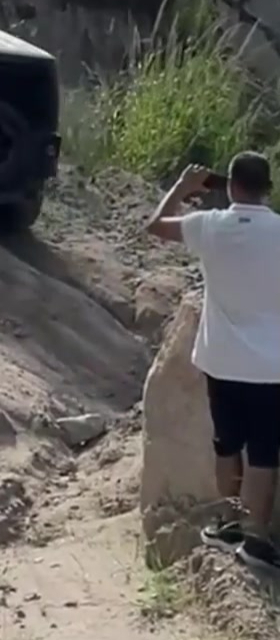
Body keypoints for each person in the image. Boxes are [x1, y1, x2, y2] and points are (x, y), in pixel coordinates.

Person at [147, 151, 280, 575]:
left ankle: (228, 524)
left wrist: (183, 189)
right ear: (268, 188)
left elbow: (155, 226)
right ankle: (256, 540)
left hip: (221, 361)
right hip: (270, 367)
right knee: (264, 455)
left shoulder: (209, 226)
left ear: (230, 186)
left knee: (227, 445)